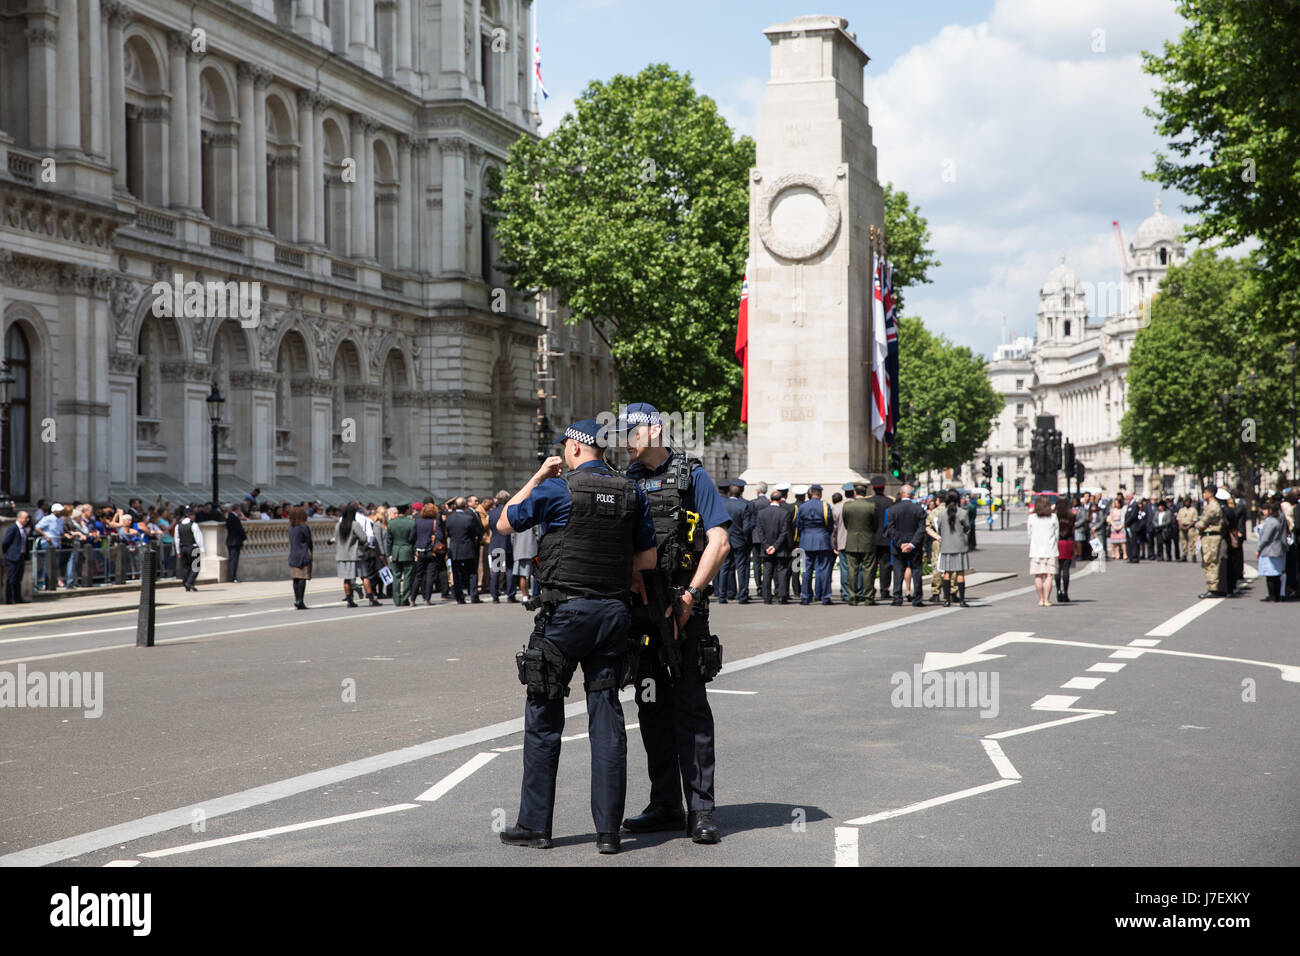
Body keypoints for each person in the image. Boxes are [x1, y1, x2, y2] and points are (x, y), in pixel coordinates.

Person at [497, 419, 657, 855]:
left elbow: (506, 522)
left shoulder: (558, 488)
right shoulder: (631, 491)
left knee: (544, 714)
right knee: (607, 719)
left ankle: (536, 826)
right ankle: (608, 833)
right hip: (613, 614)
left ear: (572, 449)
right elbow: (646, 556)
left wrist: (537, 477)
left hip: (565, 614)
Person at [617, 402, 731, 845]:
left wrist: (690, 595)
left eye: (632, 431)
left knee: (690, 709)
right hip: (640, 612)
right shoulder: (625, 482)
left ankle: (701, 809)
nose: (624, 439)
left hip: (683, 609)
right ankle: (665, 803)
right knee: (650, 707)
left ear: (657, 431)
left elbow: (719, 541)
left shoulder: (691, 476)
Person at [885, 484, 927, 607]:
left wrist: (901, 543)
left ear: (901, 493)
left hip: (898, 546)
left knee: (898, 571)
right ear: (912, 495)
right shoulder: (918, 509)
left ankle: (897, 597)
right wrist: (912, 544)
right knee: (916, 571)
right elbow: (921, 528)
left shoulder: (893, 509)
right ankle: (917, 598)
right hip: (915, 546)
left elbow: (890, 529)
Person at [928, 490, 971, 607]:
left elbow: (940, 528)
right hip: (960, 546)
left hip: (946, 546)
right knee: (960, 573)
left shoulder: (941, 513)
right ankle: (962, 600)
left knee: (947, 573)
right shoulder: (962, 513)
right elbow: (967, 528)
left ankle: (946, 600)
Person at [796, 484, 836, 605]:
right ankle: (825, 597)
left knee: (806, 570)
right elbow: (830, 524)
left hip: (806, 540)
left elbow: (798, 524)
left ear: (810, 493)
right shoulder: (825, 506)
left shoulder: (802, 507)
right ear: (820, 494)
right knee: (823, 570)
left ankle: (805, 596)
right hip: (822, 540)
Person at [840, 482, 878, 606]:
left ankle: (852, 596)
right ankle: (868, 597)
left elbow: (846, 523)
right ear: (865, 493)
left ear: (855, 492)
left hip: (851, 540)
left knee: (852, 569)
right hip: (868, 540)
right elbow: (875, 524)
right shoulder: (871, 506)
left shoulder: (847, 506)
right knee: (868, 570)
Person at [335, 503, 380, 607]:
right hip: (356, 554)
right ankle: (371, 598)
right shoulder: (354, 524)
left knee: (347, 579)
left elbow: (336, 539)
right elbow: (363, 538)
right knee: (364, 576)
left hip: (343, 556)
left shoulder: (338, 525)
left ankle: (350, 600)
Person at [755, 487, 795, 604]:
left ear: (770, 499)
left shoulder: (761, 513)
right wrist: (776, 546)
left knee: (767, 573)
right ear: (780, 500)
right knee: (782, 572)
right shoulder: (784, 513)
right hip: (780, 548)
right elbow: (784, 532)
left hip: (766, 548)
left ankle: (766, 597)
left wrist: (767, 546)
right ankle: (782, 596)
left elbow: (760, 532)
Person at [718, 481, 755, 605]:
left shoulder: (723, 505)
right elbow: (747, 527)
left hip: (726, 539)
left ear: (729, 493)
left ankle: (722, 595)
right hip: (740, 541)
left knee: (725, 567)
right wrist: (745, 539)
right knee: (742, 569)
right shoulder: (743, 506)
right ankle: (742, 596)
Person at [445, 497, 484, 603]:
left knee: (456, 574)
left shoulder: (450, 518)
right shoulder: (469, 518)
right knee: (472, 573)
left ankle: (459, 597)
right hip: (468, 548)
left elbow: (447, 532)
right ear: (465, 506)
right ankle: (473, 596)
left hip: (455, 549)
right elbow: (476, 532)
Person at [1027, 495, 1059, 607]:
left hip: (1036, 550)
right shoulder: (1053, 517)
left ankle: (1040, 599)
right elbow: (1056, 535)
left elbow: (1029, 534)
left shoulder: (1032, 517)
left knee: (1038, 575)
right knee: (1049, 575)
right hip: (1050, 550)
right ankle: (1047, 599)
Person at [866, 477, 894, 603]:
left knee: (870, 566)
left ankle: (870, 590)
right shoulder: (889, 502)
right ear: (884, 487)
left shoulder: (868, 502)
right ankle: (884, 590)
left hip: (871, 538)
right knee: (885, 566)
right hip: (885, 538)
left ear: (873, 488)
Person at [1195, 486, 1225, 598]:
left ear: (1210, 493)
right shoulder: (1210, 506)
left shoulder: (1213, 507)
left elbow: (1202, 524)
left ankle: (1213, 588)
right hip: (1208, 537)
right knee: (1208, 562)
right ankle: (1212, 587)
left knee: (1211, 562)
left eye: (1205, 492)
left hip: (1211, 537)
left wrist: (1197, 525)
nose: (1203, 494)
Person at [411, 502, 444, 606]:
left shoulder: (418, 522)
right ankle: (427, 599)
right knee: (430, 575)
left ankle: (412, 599)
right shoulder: (435, 522)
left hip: (420, 551)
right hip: (431, 551)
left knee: (418, 575)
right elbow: (440, 536)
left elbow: (411, 537)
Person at [1254, 499, 1287, 602]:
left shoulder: (1271, 522)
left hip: (1270, 550)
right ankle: (1276, 595)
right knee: (1275, 574)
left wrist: (1258, 549)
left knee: (1271, 574)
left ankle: (1272, 595)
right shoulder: (1276, 521)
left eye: (1265, 510)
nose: (1263, 512)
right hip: (1275, 549)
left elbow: (1265, 538)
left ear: (1270, 510)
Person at [386, 503, 416, 607]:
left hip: (395, 551)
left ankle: (396, 599)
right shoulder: (411, 523)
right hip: (407, 551)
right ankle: (404, 598)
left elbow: (389, 541)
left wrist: (389, 553)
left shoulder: (391, 523)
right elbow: (413, 539)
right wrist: (414, 552)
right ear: (407, 510)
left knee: (396, 577)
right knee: (407, 576)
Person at [486, 492, 514, 603]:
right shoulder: (509, 511)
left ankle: (494, 596)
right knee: (509, 570)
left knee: (496, 570)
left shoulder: (492, 512)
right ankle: (510, 595)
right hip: (507, 543)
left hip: (496, 543)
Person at [3, 511, 31, 603]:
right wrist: (8, 554)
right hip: (13, 557)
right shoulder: (13, 528)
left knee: (19, 579)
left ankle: (18, 598)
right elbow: (5, 542)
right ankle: (9, 599)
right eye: (25, 518)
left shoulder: (23, 529)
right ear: (19, 518)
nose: (27, 520)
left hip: (21, 556)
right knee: (11, 579)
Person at [288, 505, 313, 609]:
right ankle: (300, 600)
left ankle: (296, 599)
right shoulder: (304, 527)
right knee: (302, 577)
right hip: (302, 554)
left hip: (293, 554)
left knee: (295, 579)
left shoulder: (291, 527)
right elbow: (309, 541)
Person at [175, 507, 204, 591]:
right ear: (190, 515)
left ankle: (186, 583)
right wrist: (202, 549)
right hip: (193, 548)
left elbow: (176, 539)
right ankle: (190, 582)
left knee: (186, 567)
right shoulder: (194, 525)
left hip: (183, 548)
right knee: (196, 566)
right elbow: (198, 538)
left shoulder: (178, 526)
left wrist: (178, 551)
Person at [511, 521, 541, 601]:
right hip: (531, 550)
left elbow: (512, 538)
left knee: (522, 575)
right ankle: (536, 594)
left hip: (519, 551)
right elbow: (538, 535)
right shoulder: (533, 520)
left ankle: (525, 596)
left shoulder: (516, 521)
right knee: (536, 574)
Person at [1054, 497, 1075, 603]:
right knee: (1066, 569)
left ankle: (1058, 590)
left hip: (1058, 543)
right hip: (1068, 542)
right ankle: (1065, 593)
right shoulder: (1071, 516)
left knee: (1057, 569)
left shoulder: (1055, 516)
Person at [223, 504, 246, 583]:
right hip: (235, 541)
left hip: (232, 541)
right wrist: (244, 537)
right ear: (237, 509)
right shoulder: (233, 517)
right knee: (233, 560)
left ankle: (232, 576)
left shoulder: (231, 517)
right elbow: (239, 529)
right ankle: (232, 577)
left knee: (233, 559)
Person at [1177, 496, 1199, 564]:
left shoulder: (1193, 510)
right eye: (1185, 501)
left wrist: (1188, 526)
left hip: (1190, 527)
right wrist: (1181, 525)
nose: (1186, 503)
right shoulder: (1181, 510)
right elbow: (1179, 519)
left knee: (1192, 542)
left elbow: (1194, 520)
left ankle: (1193, 555)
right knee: (1183, 542)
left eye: (1188, 501)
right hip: (1182, 527)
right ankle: (1184, 555)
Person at [1108, 494, 1127, 560]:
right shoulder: (1112, 510)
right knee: (1115, 542)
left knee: (1122, 541)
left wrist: (1120, 526)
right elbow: (1110, 519)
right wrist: (1114, 526)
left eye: (1117, 503)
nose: (1116, 504)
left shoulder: (1122, 510)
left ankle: (1125, 553)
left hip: (1120, 524)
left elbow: (1123, 518)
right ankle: (1117, 553)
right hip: (1114, 524)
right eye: (1115, 503)